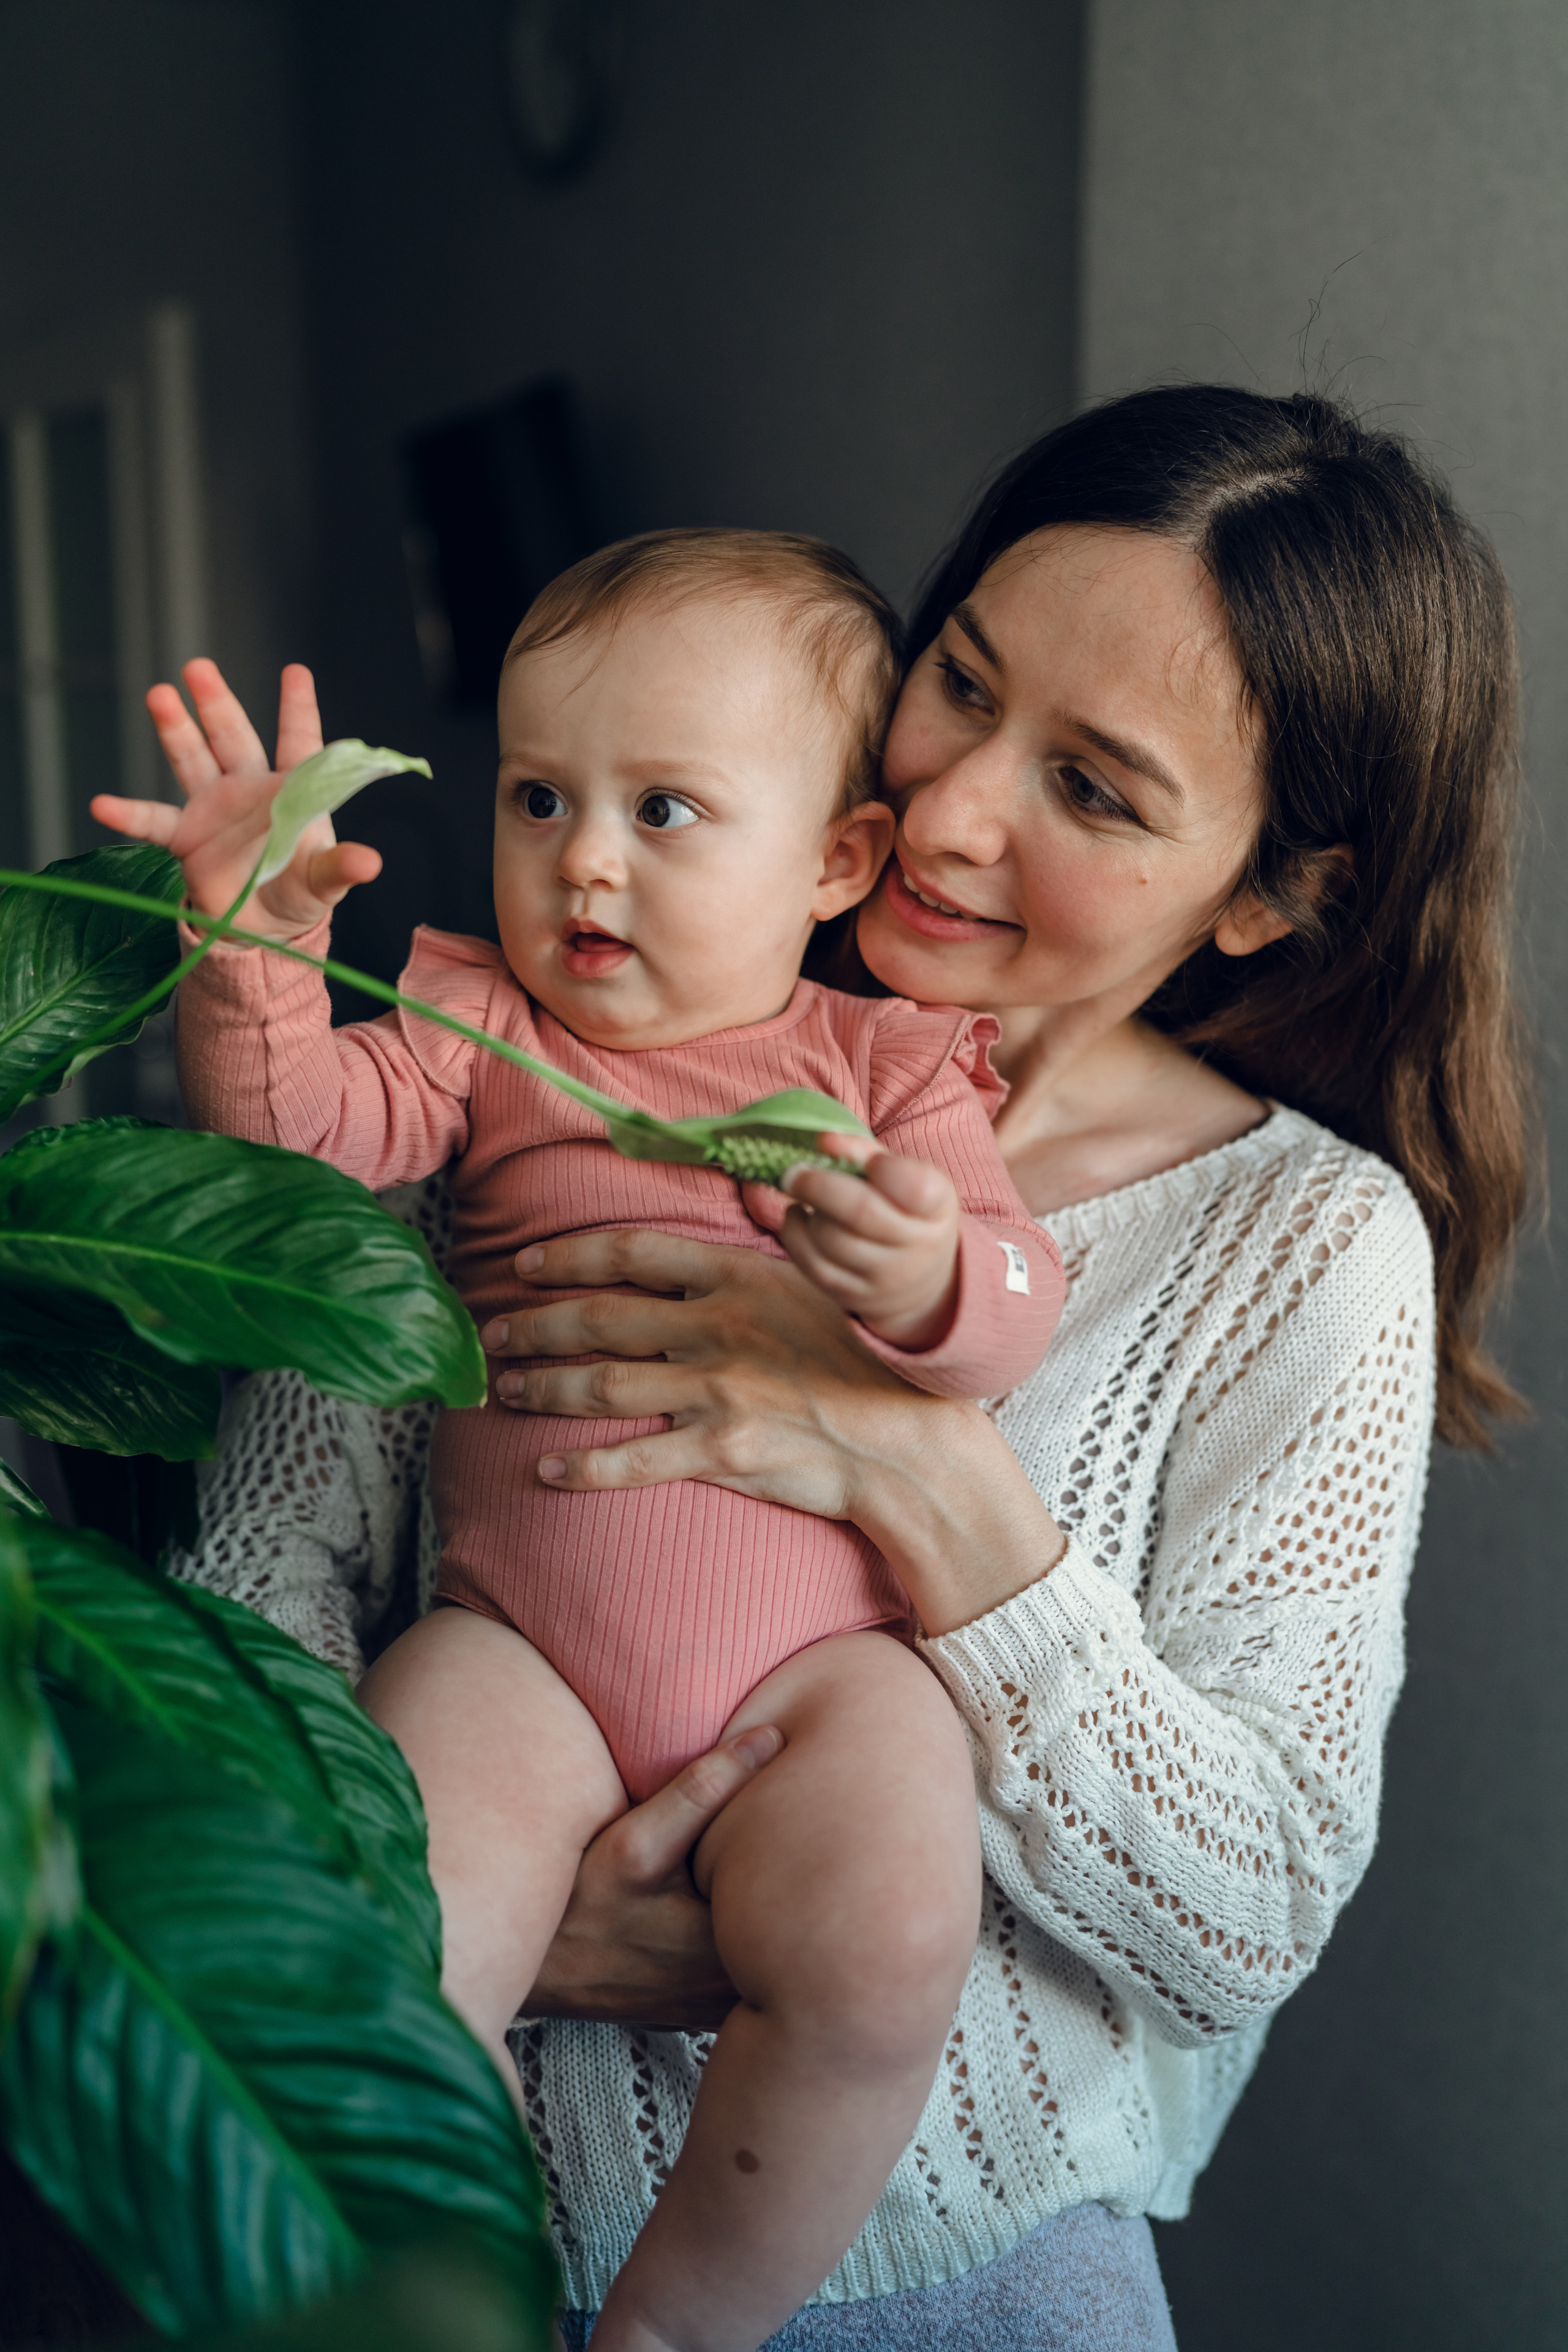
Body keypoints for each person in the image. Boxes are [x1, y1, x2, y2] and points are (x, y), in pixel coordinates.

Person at [159, 385, 1531, 2350]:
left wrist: (924, 1473)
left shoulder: (1300, 1248)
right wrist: (512, 1914)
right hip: (441, 2212)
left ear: (1268, 890)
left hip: (954, 2273)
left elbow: (1247, 1913)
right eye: (960, 682)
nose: (959, 812)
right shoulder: (550, 1024)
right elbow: (263, 1591)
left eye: (1098, 788)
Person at [100, 530, 1064, 2352]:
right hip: (517, 1648)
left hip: (823, 1671)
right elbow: (302, 1149)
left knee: (882, 1943)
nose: (585, 861)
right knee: (388, 1928)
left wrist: (936, 1266)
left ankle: (675, 2324)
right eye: (541, 797)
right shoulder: (479, 1026)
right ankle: (393, 2296)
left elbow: (1020, 1302)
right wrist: (251, 949)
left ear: (837, 860)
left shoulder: (890, 1067)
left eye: (668, 810)